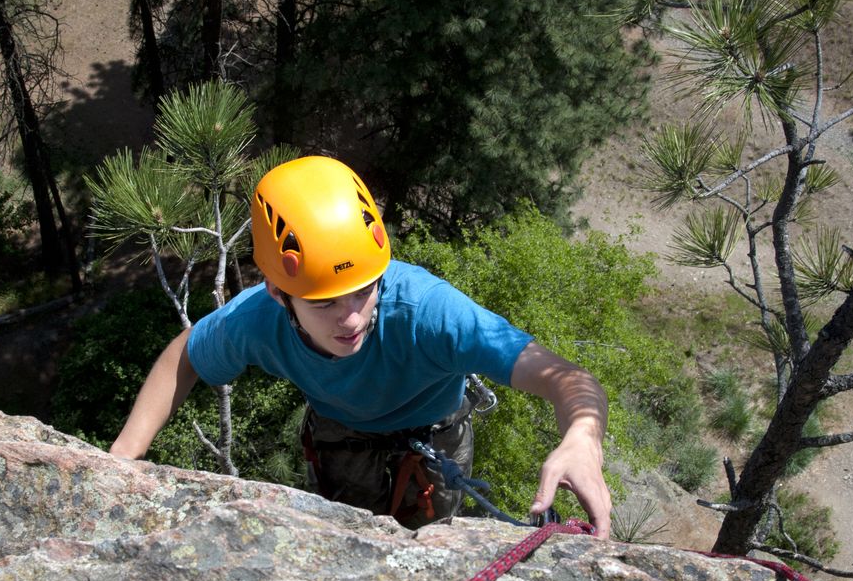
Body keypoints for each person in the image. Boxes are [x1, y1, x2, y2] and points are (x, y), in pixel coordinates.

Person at [110, 156, 612, 538]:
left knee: (429, 545)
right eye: (325, 302)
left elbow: (567, 379)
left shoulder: (430, 314)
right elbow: (186, 355)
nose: (351, 318)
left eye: (364, 290)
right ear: (278, 292)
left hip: (435, 441)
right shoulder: (259, 319)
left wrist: (583, 438)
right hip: (340, 438)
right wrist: (121, 460)